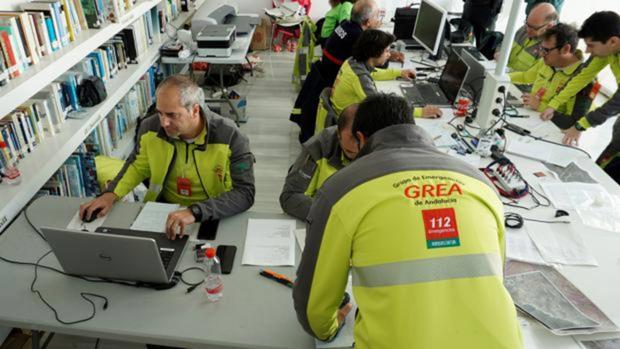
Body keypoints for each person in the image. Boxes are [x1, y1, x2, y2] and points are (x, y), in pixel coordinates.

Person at [293, 93, 522, 349]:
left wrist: (326, 330)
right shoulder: (479, 182)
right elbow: (497, 272)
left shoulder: (344, 188)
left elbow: (315, 300)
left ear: (360, 139)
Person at [79, 75, 255, 239]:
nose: (163, 123)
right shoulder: (149, 127)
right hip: (161, 214)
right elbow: (137, 166)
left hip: (212, 214)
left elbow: (244, 193)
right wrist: (110, 194)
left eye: (172, 115)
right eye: (160, 113)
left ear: (195, 110)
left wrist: (194, 212)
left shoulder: (231, 136)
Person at [290, 0, 402, 143]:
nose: (379, 20)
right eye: (377, 16)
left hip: (324, 79)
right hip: (337, 93)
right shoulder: (358, 38)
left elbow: (368, 61)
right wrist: (388, 58)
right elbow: (375, 66)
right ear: (367, 22)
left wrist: (390, 59)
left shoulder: (346, 26)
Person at [540, 11, 620, 183]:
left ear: (613, 41)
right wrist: (553, 104)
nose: (586, 50)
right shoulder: (608, 50)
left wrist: (581, 125)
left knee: (611, 172)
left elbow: (617, 101)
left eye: (591, 45)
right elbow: (581, 77)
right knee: (605, 169)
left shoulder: (609, 47)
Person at [327, 29, 441, 125]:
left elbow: (374, 73)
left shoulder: (353, 61)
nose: (389, 54)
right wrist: (420, 112)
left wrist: (399, 73)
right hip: (347, 122)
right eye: (386, 51)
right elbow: (383, 107)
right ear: (374, 53)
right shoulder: (360, 77)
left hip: (342, 111)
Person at [509, 23, 594, 130]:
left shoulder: (585, 79)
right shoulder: (547, 61)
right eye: (541, 48)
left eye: (546, 50)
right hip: (531, 118)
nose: (541, 54)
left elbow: (572, 122)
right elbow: (525, 77)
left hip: (552, 130)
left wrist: (539, 106)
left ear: (566, 49)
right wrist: (501, 77)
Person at [280, 105, 358, 220]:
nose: (356, 147)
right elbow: (290, 197)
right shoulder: (319, 146)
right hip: (323, 223)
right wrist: (335, 215)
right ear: (338, 134)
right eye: (350, 151)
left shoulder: (382, 152)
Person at [500, 3, 558, 72]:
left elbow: (534, 79)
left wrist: (508, 72)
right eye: (527, 23)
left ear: (549, 26)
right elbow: (503, 44)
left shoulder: (551, 50)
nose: (527, 29)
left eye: (533, 28)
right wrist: (499, 52)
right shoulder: (524, 29)